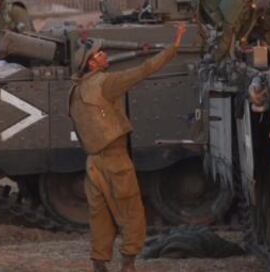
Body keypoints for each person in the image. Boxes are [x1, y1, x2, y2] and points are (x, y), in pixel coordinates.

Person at [69, 24, 186, 272]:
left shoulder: (75, 90)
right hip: (115, 160)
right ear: (91, 64)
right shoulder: (105, 82)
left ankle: (99, 263)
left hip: (93, 163)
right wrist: (173, 48)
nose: (104, 55)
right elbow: (144, 70)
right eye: (99, 54)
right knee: (131, 212)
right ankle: (129, 264)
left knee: (99, 217)